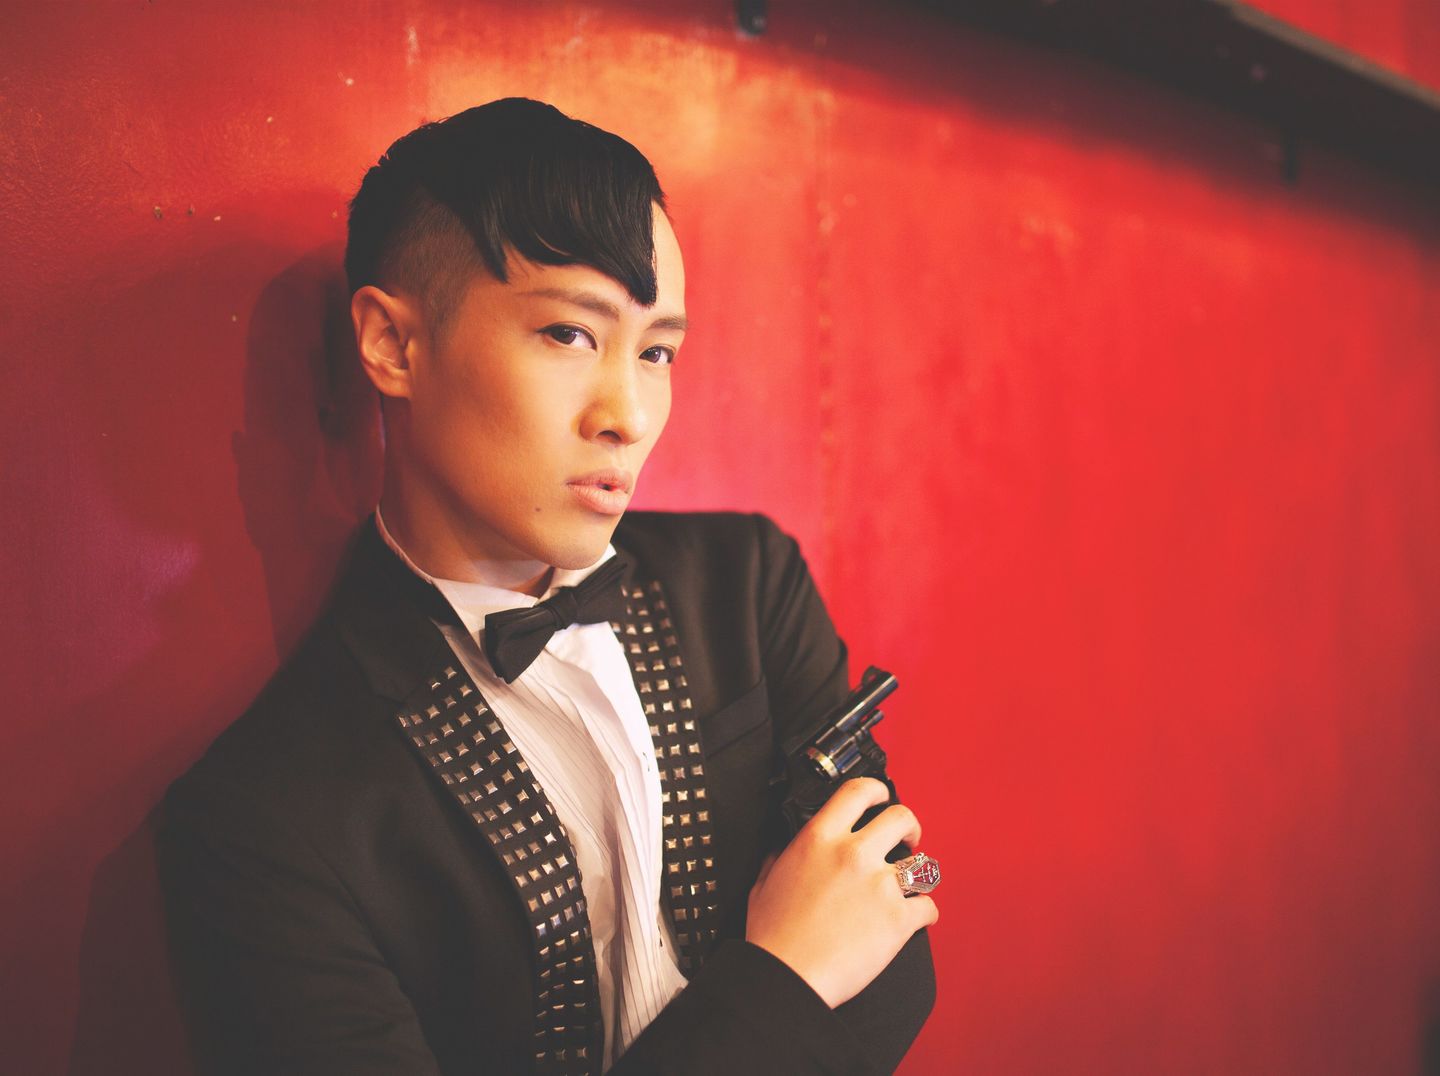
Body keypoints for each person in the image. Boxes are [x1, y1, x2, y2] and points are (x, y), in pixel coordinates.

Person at [158, 97, 937, 1075]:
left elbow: (899, 943)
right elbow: (837, 950)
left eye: (656, 351)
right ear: (393, 345)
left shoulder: (748, 583)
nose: (629, 415)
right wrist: (784, 970)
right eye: (570, 334)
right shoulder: (267, 817)